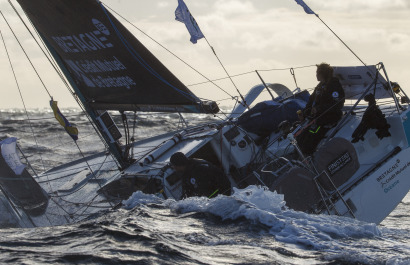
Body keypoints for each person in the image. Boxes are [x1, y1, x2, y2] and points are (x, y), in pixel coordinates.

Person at [296, 63, 345, 155]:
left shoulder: (334, 85)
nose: (316, 75)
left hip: (327, 119)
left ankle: (309, 159)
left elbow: (337, 103)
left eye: (317, 73)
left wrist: (319, 109)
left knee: (309, 140)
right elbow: (311, 102)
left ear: (323, 74)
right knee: (300, 138)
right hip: (317, 119)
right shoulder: (319, 87)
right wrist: (304, 114)